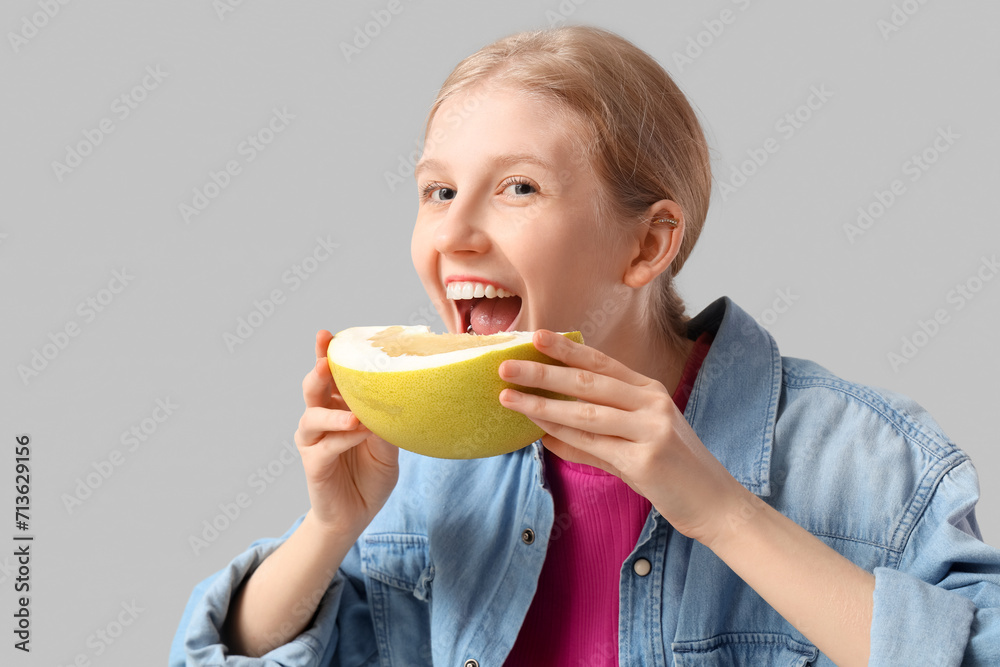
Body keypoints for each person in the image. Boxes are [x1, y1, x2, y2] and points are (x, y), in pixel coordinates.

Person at [170, 25, 1000, 666]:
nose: (453, 232)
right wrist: (329, 526)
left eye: (517, 187)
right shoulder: (421, 468)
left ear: (647, 246)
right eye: (439, 190)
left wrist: (723, 513)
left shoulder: (874, 459)